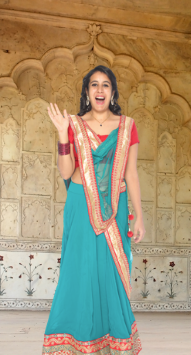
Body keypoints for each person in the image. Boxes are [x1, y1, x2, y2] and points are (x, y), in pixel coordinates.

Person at [42, 65, 144, 355]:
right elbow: (66, 170)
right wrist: (63, 135)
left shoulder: (127, 126)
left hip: (115, 207)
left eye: (106, 85)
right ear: (87, 92)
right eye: (94, 85)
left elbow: (132, 173)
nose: (100, 90)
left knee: (111, 272)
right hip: (80, 203)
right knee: (79, 271)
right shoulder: (73, 124)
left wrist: (139, 215)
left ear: (113, 93)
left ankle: (114, 343)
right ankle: (74, 343)